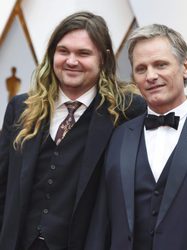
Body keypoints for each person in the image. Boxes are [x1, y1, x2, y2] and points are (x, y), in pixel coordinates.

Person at [85, 24, 187, 250]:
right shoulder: (119, 135)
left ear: (185, 67)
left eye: (160, 65)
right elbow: (101, 222)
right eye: (141, 68)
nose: (151, 76)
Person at [0, 11, 146, 250]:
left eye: (83, 53)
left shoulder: (127, 111)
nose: (71, 61)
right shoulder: (21, 108)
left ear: (103, 58)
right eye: (63, 51)